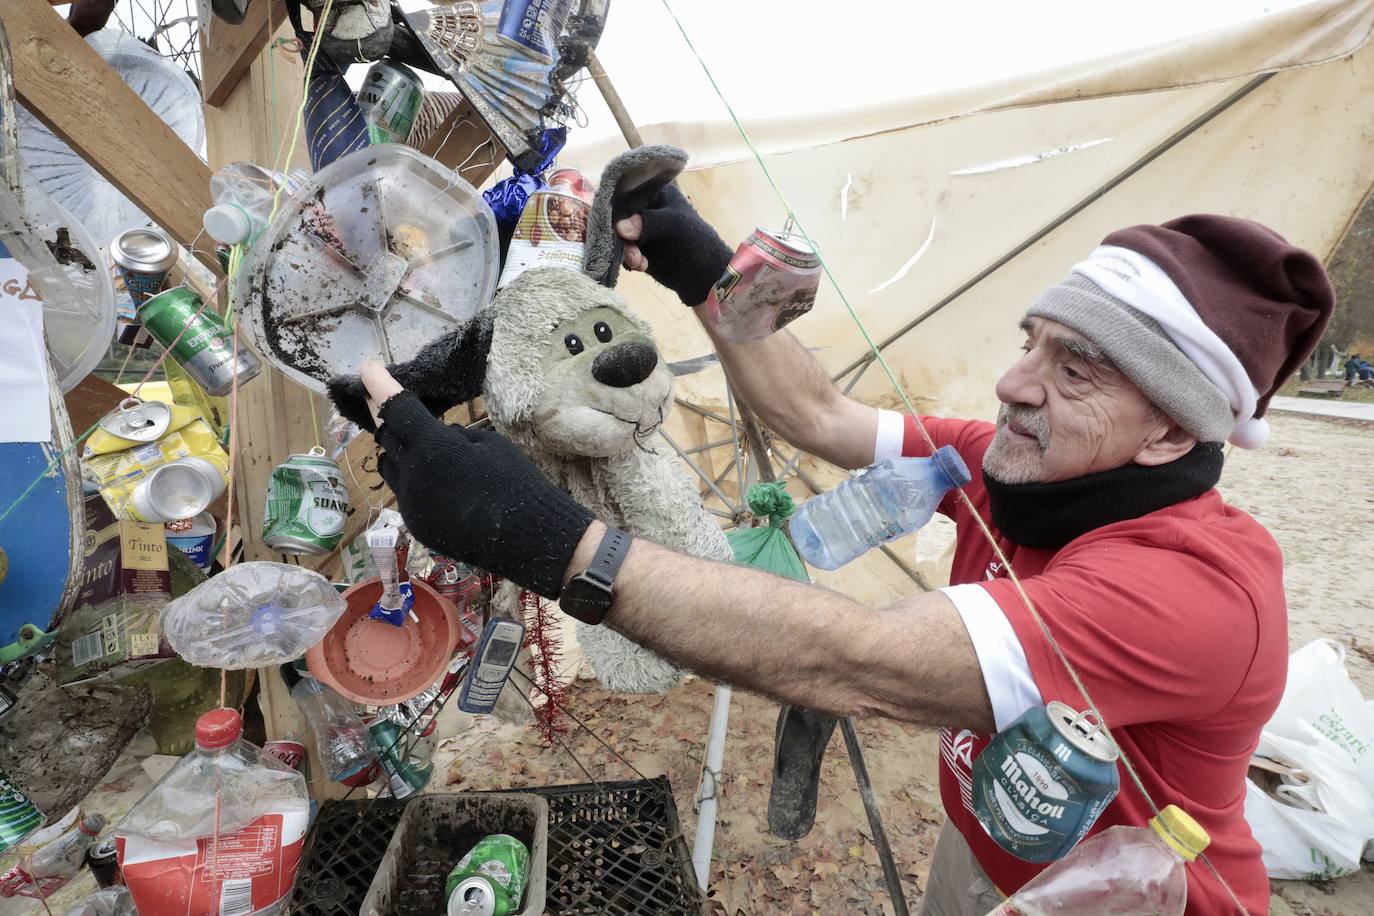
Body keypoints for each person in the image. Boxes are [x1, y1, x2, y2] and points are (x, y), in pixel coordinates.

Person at [336, 196, 1333, 914]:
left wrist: (553, 542)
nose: (1012, 383)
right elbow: (815, 412)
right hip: (995, 842)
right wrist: (710, 282)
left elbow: (859, 660)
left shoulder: (1192, 588)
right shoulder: (1014, 461)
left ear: (1171, 434)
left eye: (1073, 370)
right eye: (1033, 342)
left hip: (1138, 897)